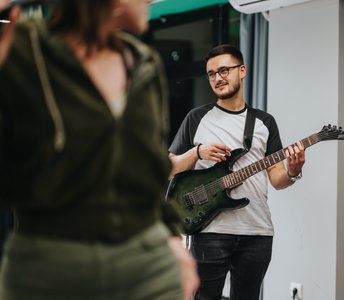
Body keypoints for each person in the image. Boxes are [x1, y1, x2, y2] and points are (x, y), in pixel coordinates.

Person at [0, 0, 199, 299]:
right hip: (49, 271)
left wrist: (172, 239)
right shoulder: (23, 49)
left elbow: (150, 173)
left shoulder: (144, 62)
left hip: (151, 268)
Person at [168, 44, 305, 300]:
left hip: (257, 232)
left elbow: (277, 178)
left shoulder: (264, 122)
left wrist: (294, 171)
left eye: (224, 70)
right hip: (209, 231)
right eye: (211, 74)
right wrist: (197, 153)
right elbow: (168, 169)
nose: (217, 78)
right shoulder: (197, 118)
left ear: (241, 71)